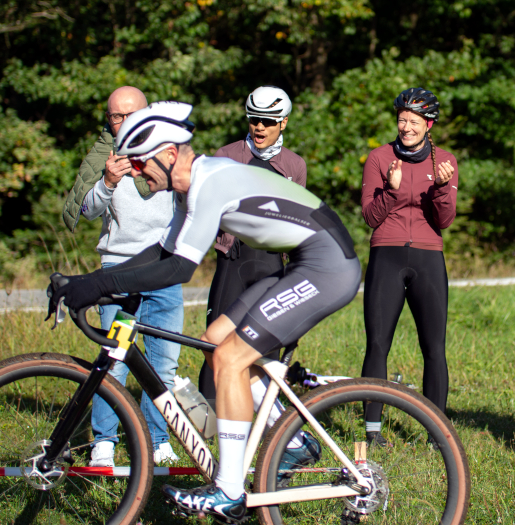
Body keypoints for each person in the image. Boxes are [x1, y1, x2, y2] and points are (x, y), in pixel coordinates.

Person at [51, 101, 360, 522]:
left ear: (168, 153)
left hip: (328, 266)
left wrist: (97, 285)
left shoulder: (208, 182)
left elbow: (178, 269)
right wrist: (85, 281)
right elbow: (160, 252)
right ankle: (293, 444)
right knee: (215, 342)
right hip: (309, 260)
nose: (137, 174)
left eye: (141, 164)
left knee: (233, 360)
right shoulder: (194, 184)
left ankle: (229, 491)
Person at [61, 86, 183, 466]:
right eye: (117, 116)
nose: (125, 121)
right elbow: (88, 208)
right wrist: (108, 182)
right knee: (112, 360)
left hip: (164, 268)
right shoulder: (105, 156)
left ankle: (158, 438)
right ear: (109, 121)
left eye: (132, 114)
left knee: (163, 363)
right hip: (116, 267)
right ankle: (105, 442)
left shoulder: (170, 147)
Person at [359, 87, 458, 446]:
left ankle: (437, 433)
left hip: (429, 257)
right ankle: (372, 430)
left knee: (434, 347)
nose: (406, 127)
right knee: (377, 343)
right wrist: (391, 190)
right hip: (386, 254)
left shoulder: (444, 161)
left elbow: (444, 220)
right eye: (402, 120)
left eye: (413, 122)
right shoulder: (379, 158)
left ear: (428, 124)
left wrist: (444, 188)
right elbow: (370, 216)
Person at [199, 85, 307, 408]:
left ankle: (263, 410)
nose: (259, 127)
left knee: (265, 341)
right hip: (233, 257)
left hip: (271, 262)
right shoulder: (226, 155)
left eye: (267, 121)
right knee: (215, 340)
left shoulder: (294, 165)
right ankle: (208, 414)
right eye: (253, 119)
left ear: (283, 123)